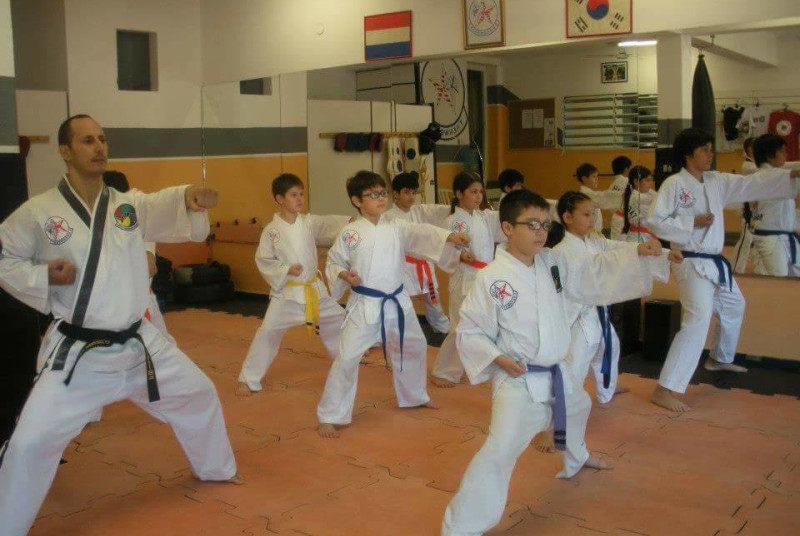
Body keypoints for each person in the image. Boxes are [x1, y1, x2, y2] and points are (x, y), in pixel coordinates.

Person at [0, 115, 241, 536]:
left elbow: (164, 203)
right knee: (29, 442)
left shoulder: (127, 205)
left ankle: (216, 469)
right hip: (81, 354)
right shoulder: (39, 212)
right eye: (87, 140)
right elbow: (5, 258)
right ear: (65, 152)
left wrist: (190, 197)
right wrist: (42, 276)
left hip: (139, 344)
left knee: (200, 394)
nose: (99, 147)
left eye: (102, 139)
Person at [441, 189, 669, 536]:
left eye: (544, 225)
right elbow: (470, 330)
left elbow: (593, 269)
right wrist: (499, 358)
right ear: (507, 228)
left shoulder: (552, 263)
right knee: (500, 451)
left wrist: (638, 251)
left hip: (556, 371)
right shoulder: (492, 278)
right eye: (531, 224)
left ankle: (576, 457)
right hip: (519, 378)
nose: (540, 232)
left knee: (579, 405)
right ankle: (461, 527)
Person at [646, 128, 800, 412]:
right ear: (688, 155)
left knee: (734, 305)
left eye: (710, 149)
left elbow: (753, 183)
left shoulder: (716, 181)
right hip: (691, 261)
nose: (710, 154)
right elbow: (654, 221)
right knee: (697, 321)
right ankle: (664, 389)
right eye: (704, 150)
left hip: (714, 263)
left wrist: (792, 174)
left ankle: (718, 358)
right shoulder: (674, 184)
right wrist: (692, 222)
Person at [316, 171, 469, 438]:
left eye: (382, 193)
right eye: (373, 194)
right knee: (347, 356)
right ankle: (330, 414)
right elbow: (335, 261)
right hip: (365, 303)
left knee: (414, 345)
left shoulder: (396, 226)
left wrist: (448, 237)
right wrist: (343, 275)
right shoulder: (350, 233)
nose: (380, 198)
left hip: (397, 300)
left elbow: (420, 232)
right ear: (357, 201)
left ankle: (414, 396)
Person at [236, 173, 351, 395]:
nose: (299, 199)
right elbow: (264, 259)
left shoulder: (308, 222)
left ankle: (346, 364)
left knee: (339, 319)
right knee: (268, 332)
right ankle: (248, 379)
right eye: (293, 195)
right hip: (287, 294)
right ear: (279, 199)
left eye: (301, 194)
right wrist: (286, 269)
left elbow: (329, 223)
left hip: (314, 290)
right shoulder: (271, 230)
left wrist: (351, 223)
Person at [431, 171, 506, 388]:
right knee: (459, 325)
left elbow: (503, 231)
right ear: (458, 194)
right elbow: (442, 250)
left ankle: (468, 365)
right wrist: (459, 255)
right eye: (473, 192)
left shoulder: (484, 217)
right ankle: (443, 371)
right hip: (464, 278)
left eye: (480, 192)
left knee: (483, 324)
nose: (478, 196)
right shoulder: (451, 222)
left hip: (484, 277)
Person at [384, 172, 452, 335]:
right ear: (395, 193)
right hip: (403, 268)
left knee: (433, 299)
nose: (411, 196)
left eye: (414, 192)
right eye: (406, 192)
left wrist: (456, 206)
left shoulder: (419, 211)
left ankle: (442, 329)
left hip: (423, 266)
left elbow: (438, 211)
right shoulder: (387, 217)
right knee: (401, 302)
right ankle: (401, 332)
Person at [749, 134, 800, 277]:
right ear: (770, 155)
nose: (786, 155)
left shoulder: (782, 176)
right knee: (779, 278)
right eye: (782, 151)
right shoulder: (765, 175)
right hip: (770, 238)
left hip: (786, 236)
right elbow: (793, 173)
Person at [576, 162, 621, 233]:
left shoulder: (589, 194)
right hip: (589, 233)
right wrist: (623, 196)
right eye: (594, 176)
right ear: (584, 178)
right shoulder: (585, 196)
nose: (597, 179)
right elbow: (604, 197)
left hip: (594, 232)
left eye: (597, 176)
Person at [622, 165, 658, 243]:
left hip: (644, 235)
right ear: (636, 182)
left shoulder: (644, 194)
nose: (650, 183)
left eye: (651, 180)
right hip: (638, 238)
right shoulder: (636, 197)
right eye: (647, 180)